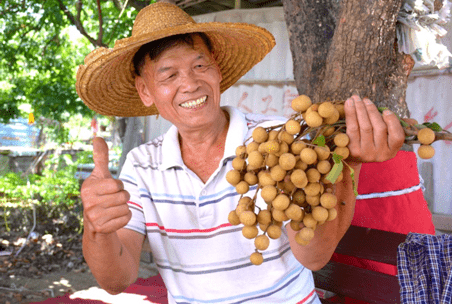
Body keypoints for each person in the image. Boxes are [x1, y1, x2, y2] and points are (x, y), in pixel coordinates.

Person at [76, 2, 405, 303]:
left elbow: (313, 257)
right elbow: (116, 280)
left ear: (217, 71)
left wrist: (347, 163)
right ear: (145, 91)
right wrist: (97, 229)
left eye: (199, 66)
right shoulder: (141, 165)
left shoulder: (280, 142)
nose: (190, 84)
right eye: (169, 74)